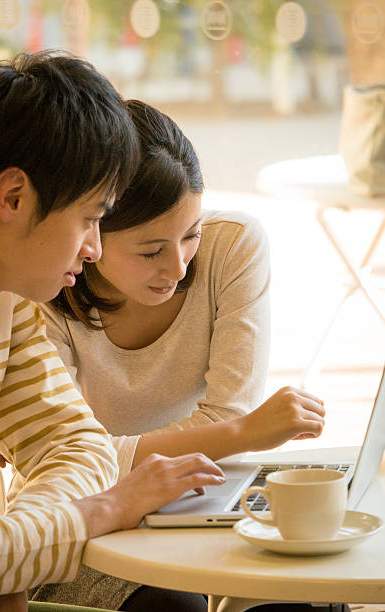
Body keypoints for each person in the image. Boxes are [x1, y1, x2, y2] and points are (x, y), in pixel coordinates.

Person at [23, 100, 328, 612]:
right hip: (86, 524)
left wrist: (133, 452)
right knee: (171, 604)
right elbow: (69, 459)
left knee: (301, 592)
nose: (179, 268)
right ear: (93, 235)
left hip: (205, 497)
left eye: (191, 235)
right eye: (150, 251)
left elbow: (220, 411)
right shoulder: (42, 289)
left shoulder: (233, 247)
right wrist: (244, 433)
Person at [0, 52, 230, 612]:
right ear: (13, 197)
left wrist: (14, 553)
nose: (93, 247)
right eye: (90, 217)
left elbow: (77, 442)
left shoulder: (5, 303)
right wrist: (100, 511)